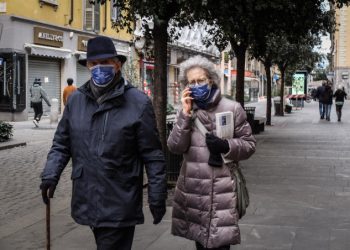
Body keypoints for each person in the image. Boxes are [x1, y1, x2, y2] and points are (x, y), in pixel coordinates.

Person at [39, 36, 167, 250]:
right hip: (88, 196)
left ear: (117, 65)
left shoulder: (138, 103)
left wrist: (156, 196)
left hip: (120, 199)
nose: (99, 68)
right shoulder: (76, 100)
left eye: (105, 63)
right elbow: (62, 144)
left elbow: (153, 155)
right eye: (94, 63)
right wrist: (50, 174)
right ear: (88, 66)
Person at [167, 55, 256, 250]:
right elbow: (175, 147)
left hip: (222, 191)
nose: (197, 85)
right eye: (192, 82)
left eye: (201, 80)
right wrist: (184, 115)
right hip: (195, 193)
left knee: (221, 243)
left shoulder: (232, 108)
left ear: (211, 80)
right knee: (200, 243)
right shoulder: (187, 111)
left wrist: (226, 146)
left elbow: (249, 145)